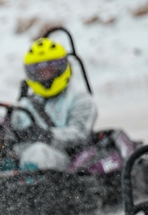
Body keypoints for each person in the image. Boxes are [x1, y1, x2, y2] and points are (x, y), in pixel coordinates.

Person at [8, 37, 98, 171]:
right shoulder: (24, 105)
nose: (45, 76)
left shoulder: (80, 99)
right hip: (25, 162)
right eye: (39, 72)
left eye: (50, 70)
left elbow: (80, 134)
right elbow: (15, 138)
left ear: (62, 68)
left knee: (39, 152)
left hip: (66, 162)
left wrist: (47, 136)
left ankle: (32, 189)